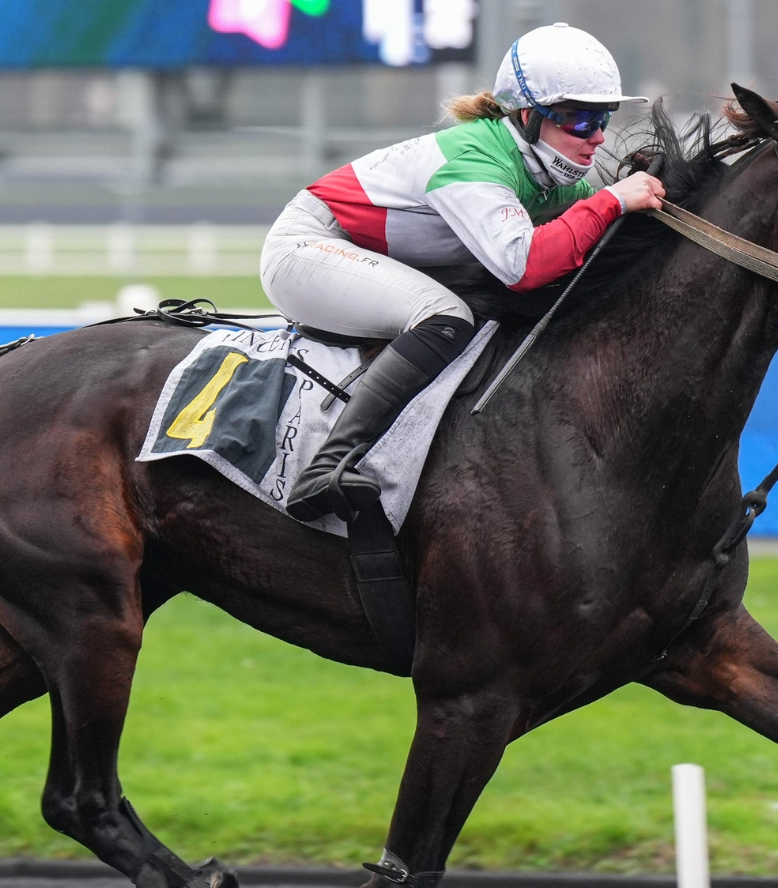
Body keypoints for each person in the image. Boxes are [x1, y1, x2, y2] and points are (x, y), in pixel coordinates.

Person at [262, 22, 668, 523]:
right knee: (446, 315)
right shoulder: (474, 157)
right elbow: (524, 267)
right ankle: (324, 469)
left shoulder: (540, 168)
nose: (597, 136)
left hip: (362, 253)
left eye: (602, 118)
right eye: (580, 121)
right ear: (528, 116)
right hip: (309, 247)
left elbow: (592, 233)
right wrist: (609, 200)